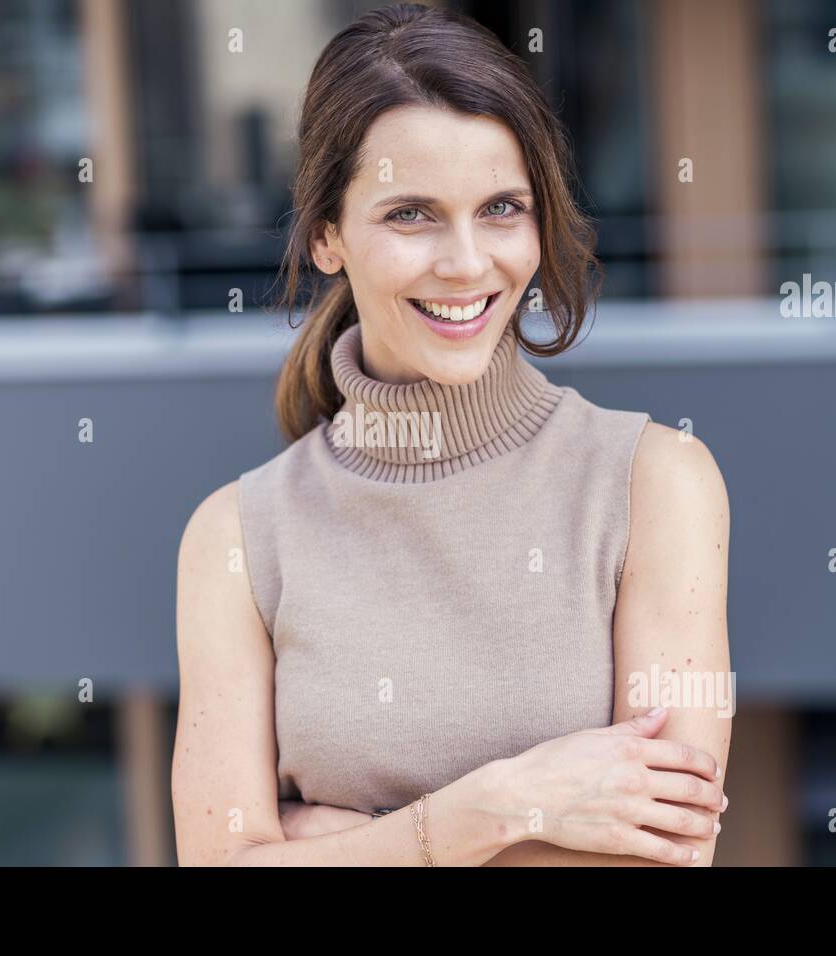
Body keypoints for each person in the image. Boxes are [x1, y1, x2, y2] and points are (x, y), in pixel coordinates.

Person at [172, 3, 731, 866]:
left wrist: (339, 844)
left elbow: (670, 848)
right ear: (326, 236)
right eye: (411, 215)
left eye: (502, 208)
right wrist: (501, 809)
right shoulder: (236, 539)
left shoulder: (659, 484)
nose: (468, 263)